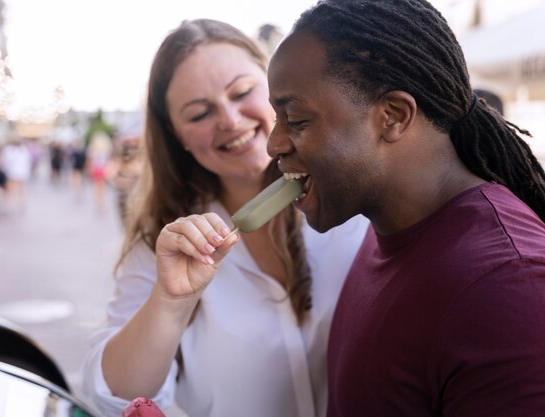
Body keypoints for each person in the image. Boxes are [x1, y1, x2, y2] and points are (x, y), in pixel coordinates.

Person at [265, 1, 545, 416]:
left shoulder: (515, 290)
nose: (273, 144)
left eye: (295, 120)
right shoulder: (383, 228)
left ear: (393, 116)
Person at [80, 19, 368, 417]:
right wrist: (170, 302)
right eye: (199, 114)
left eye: (243, 92)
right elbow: (114, 397)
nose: (230, 120)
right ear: (175, 134)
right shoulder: (166, 242)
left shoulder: (354, 195)